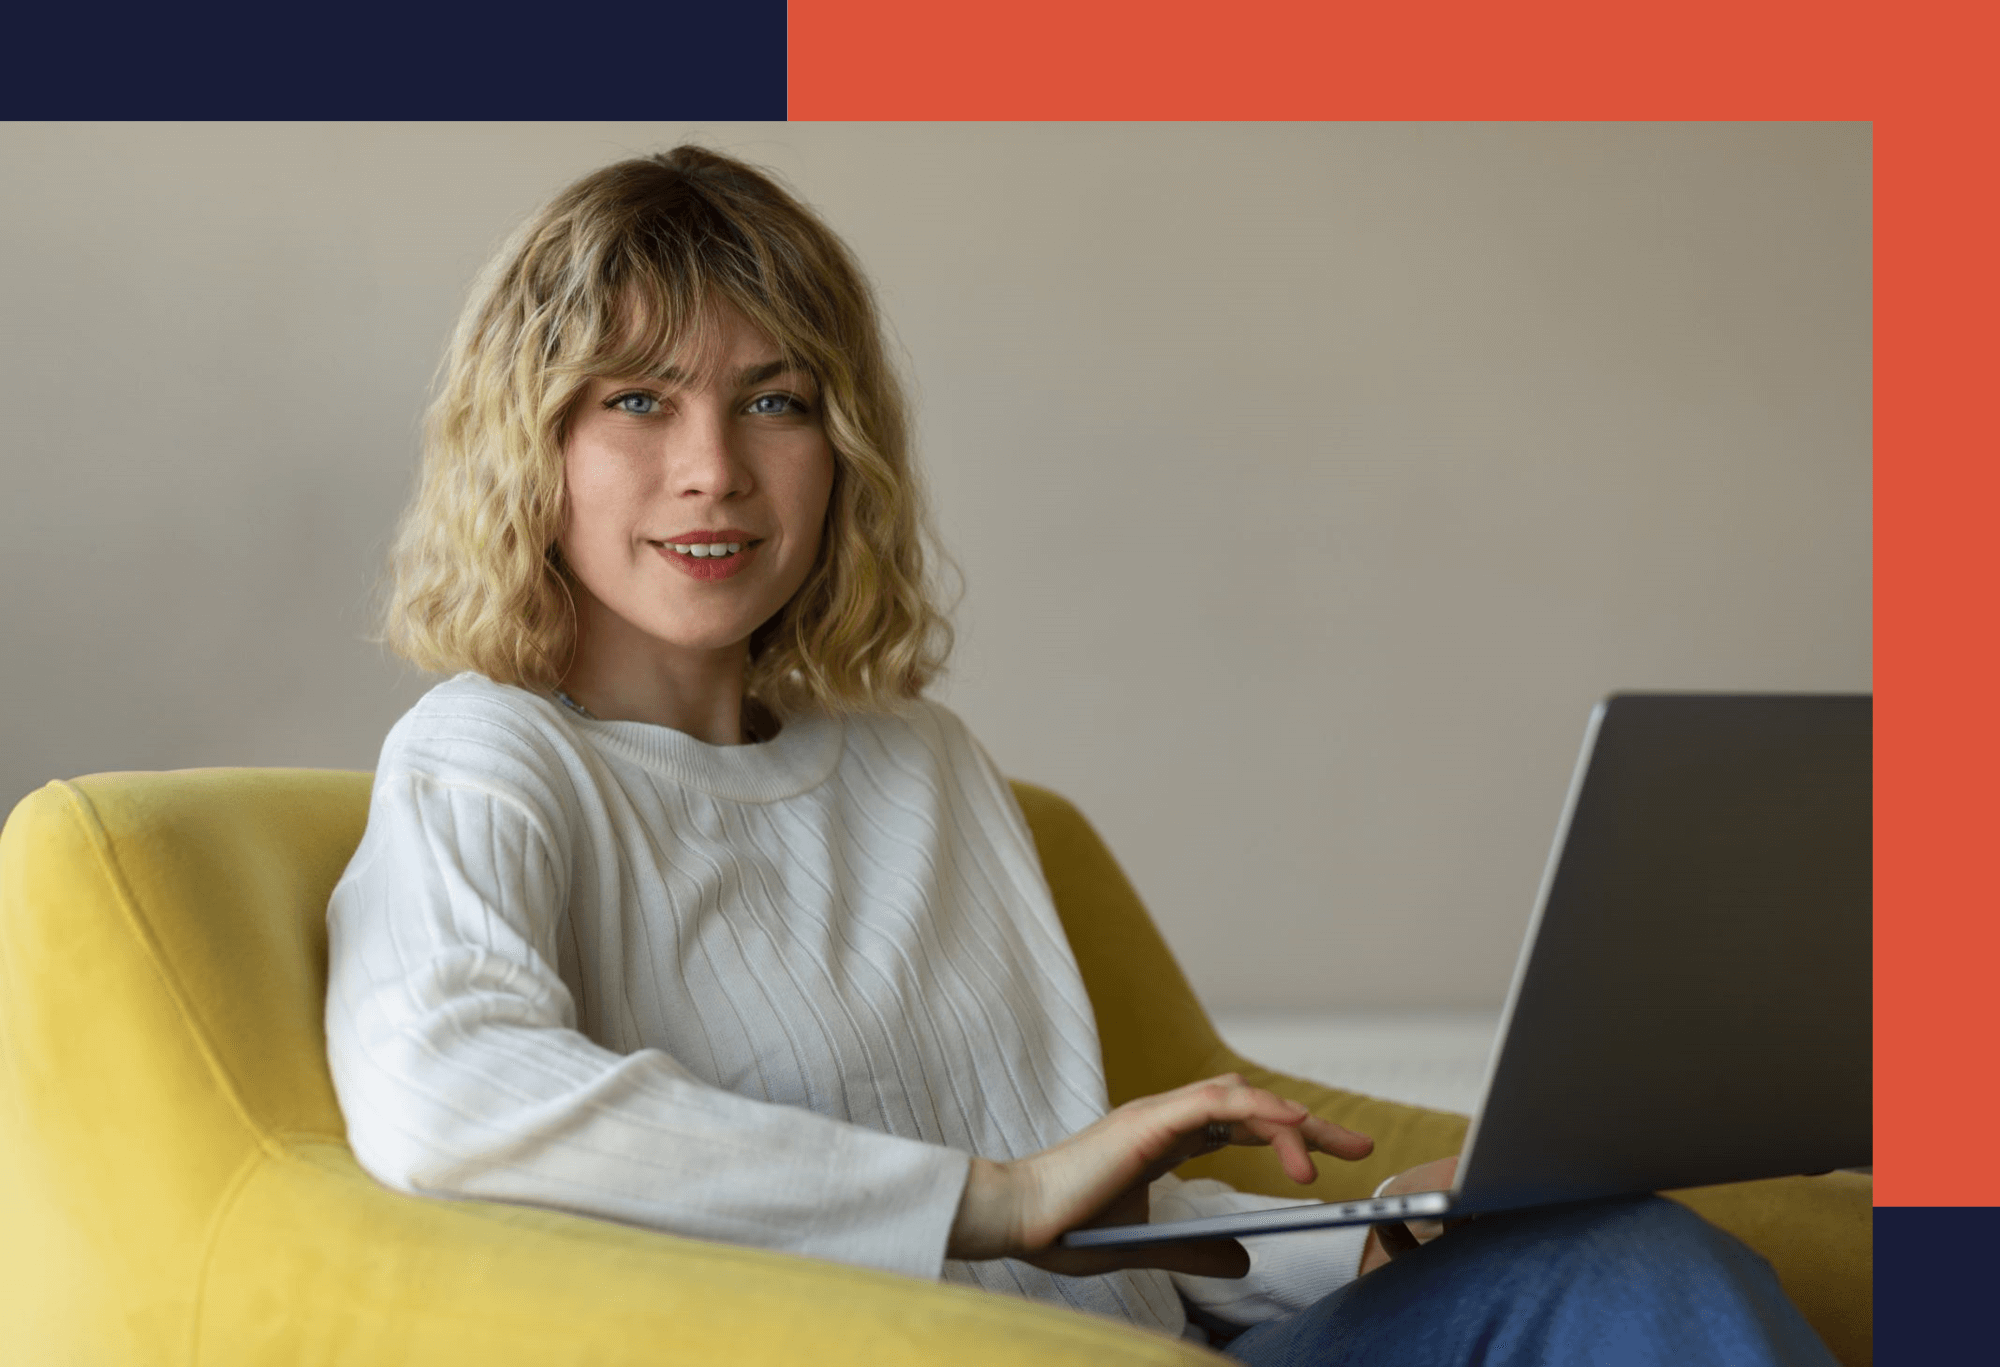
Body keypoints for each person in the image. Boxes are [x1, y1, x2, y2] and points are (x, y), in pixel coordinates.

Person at [324, 145, 1838, 1364]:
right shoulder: (488, 758)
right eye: (637, 400)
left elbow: (1088, 1246)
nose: (712, 465)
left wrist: (1371, 1238)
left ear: (840, 447)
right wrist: (992, 1200)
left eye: (774, 399)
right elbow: (448, 1093)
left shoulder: (923, 769)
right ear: (532, 443)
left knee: (1620, 1256)